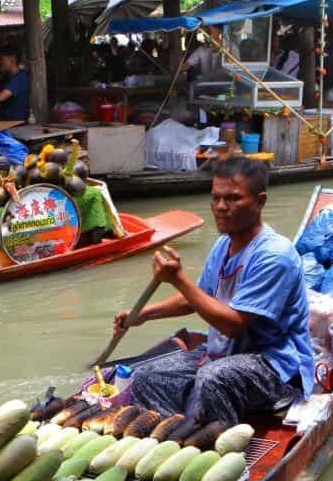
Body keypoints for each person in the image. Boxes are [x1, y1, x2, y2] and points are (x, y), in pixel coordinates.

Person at [113, 157, 314, 426]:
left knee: (212, 379)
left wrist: (178, 278)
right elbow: (197, 297)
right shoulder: (223, 245)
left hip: (275, 366)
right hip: (223, 355)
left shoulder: (275, 255)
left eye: (232, 199)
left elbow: (233, 325)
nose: (220, 207)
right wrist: (144, 314)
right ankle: (181, 430)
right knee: (146, 377)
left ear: (259, 202)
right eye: (216, 198)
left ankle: (219, 444)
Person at [0, 45, 29, 122]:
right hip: (3, 120)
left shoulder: (20, 77)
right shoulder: (7, 77)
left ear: (12, 60)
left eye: (1, 60)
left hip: (15, 123)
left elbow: (1, 97)